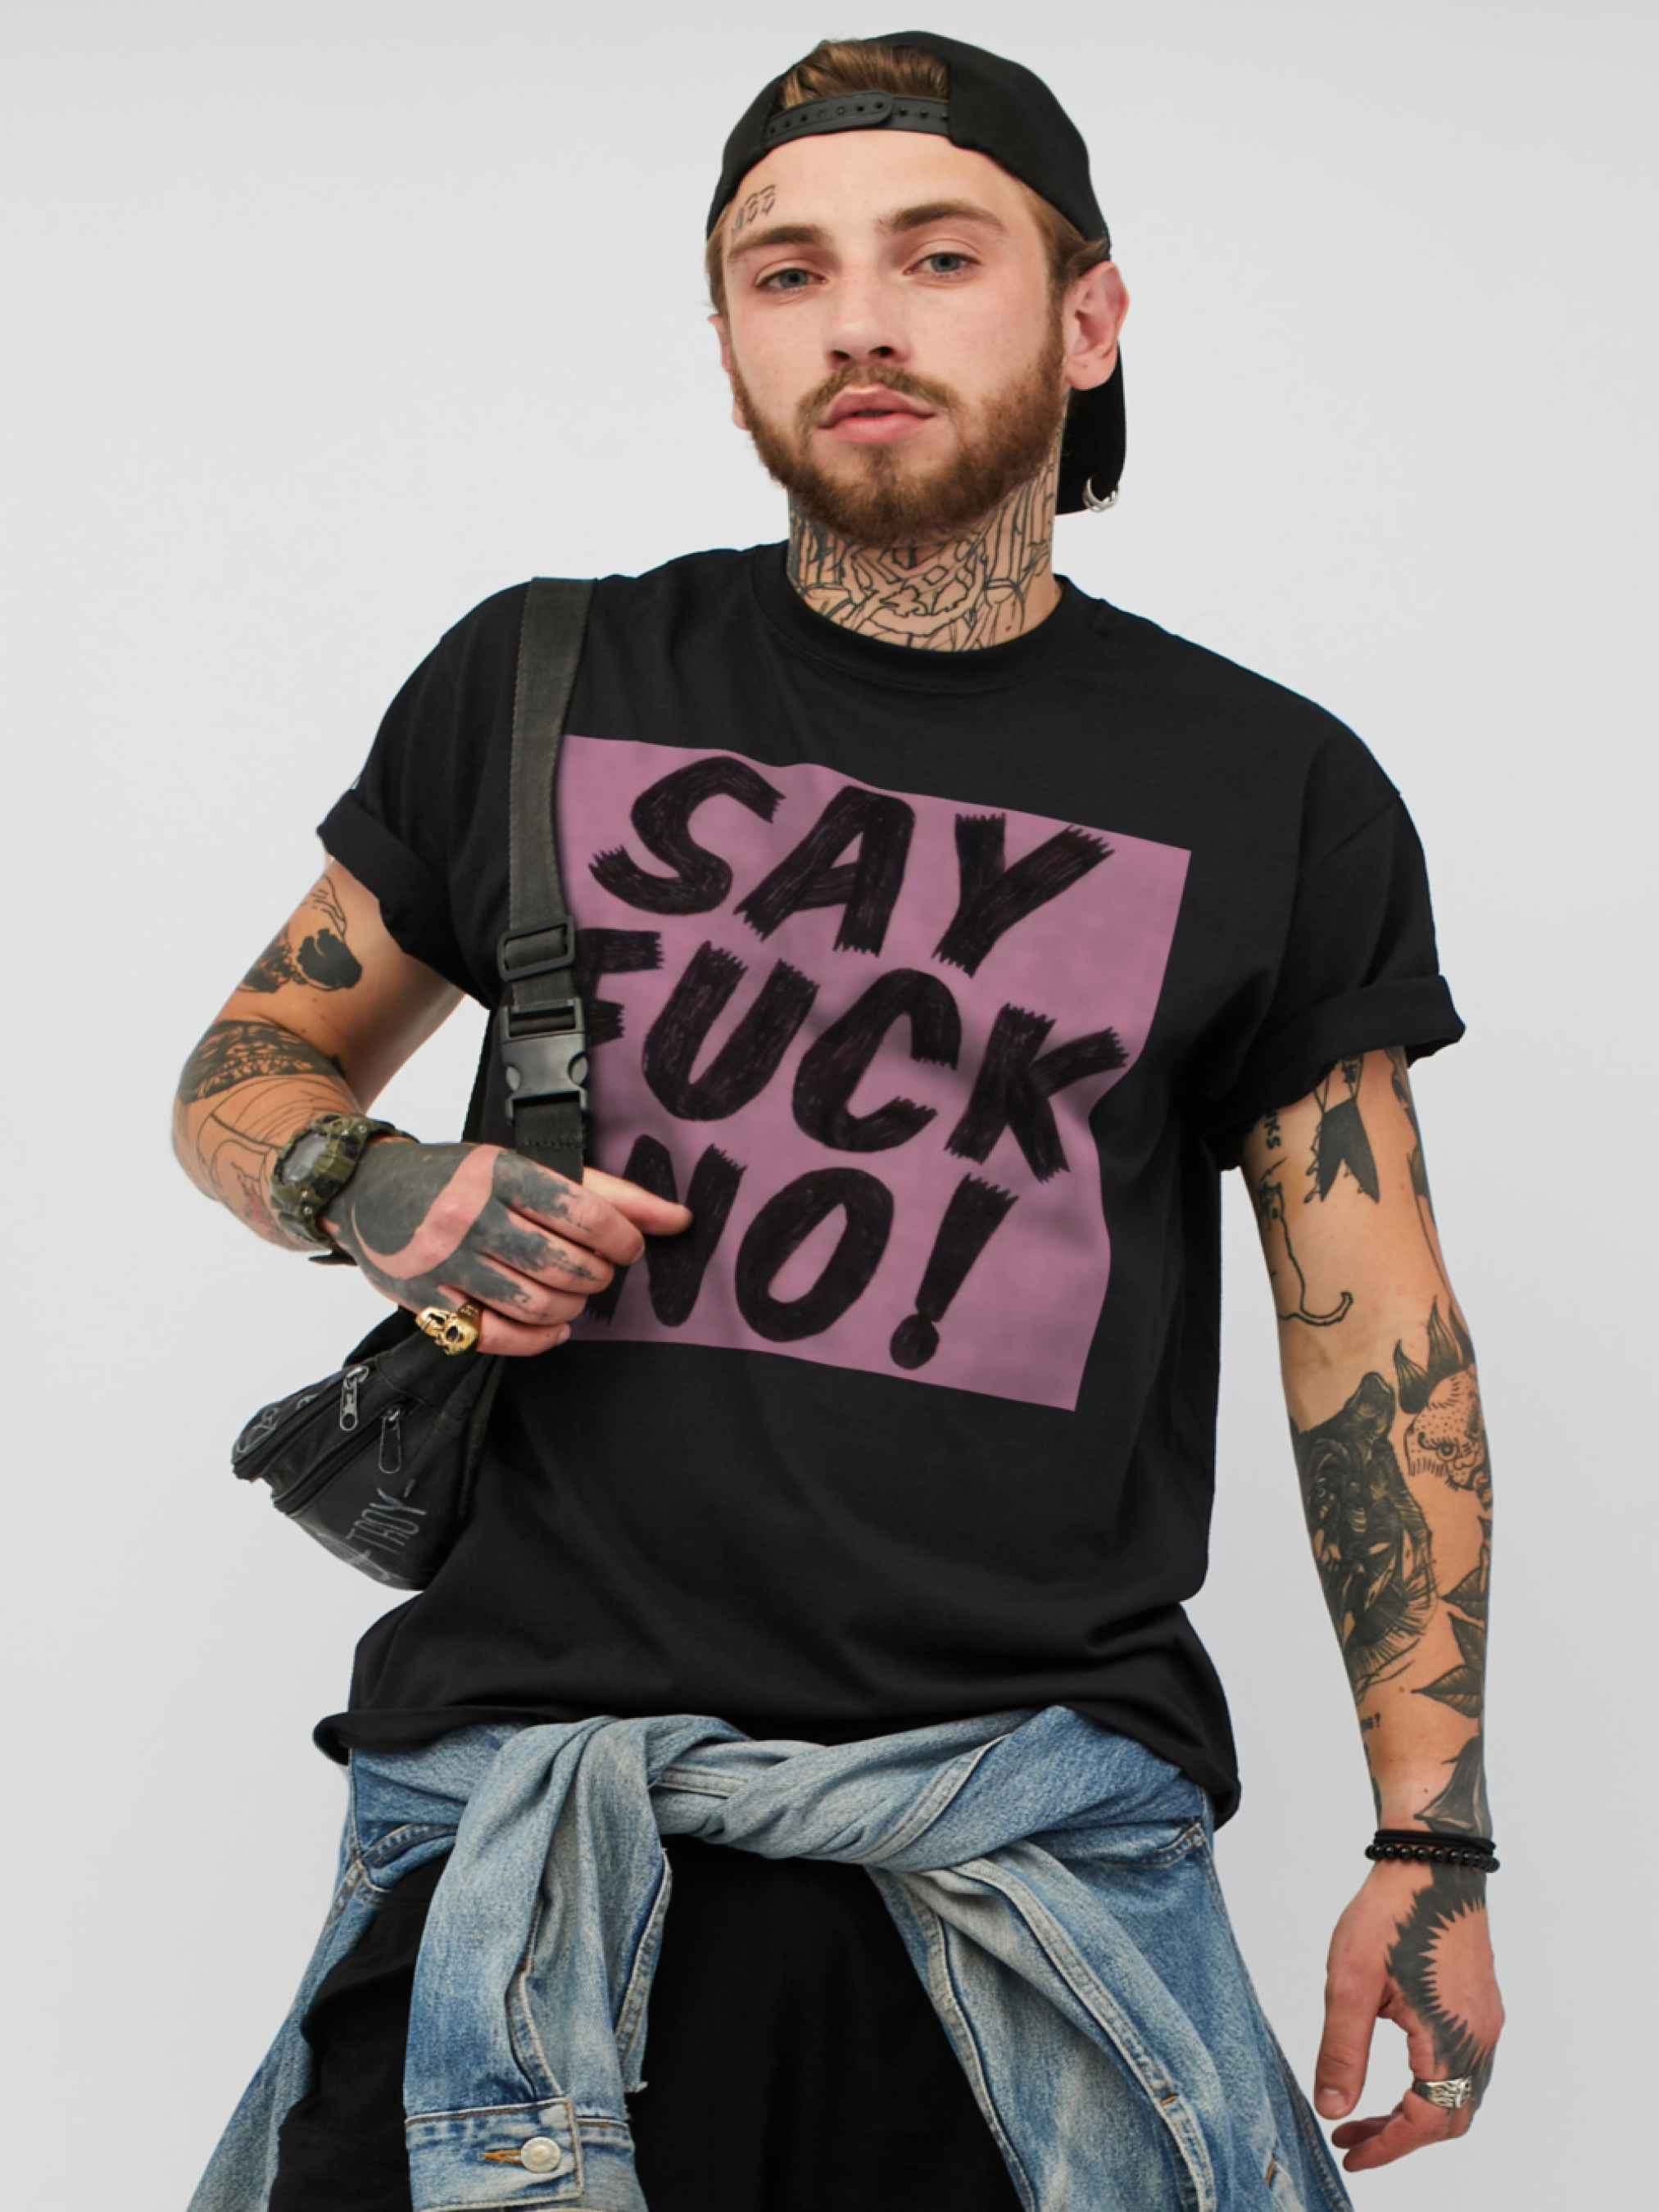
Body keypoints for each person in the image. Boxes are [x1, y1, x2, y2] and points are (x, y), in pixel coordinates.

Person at [177, 31, 1502, 2212]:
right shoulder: (539, 681)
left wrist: (1430, 1841)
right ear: (727, 342)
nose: (858, 319)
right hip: (529, 1839)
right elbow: (244, 1070)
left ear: (1088, 317)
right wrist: (374, 1183)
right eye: (784, 271)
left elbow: (1374, 1332)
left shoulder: (1269, 787)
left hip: (1023, 1859)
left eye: (938, 255)